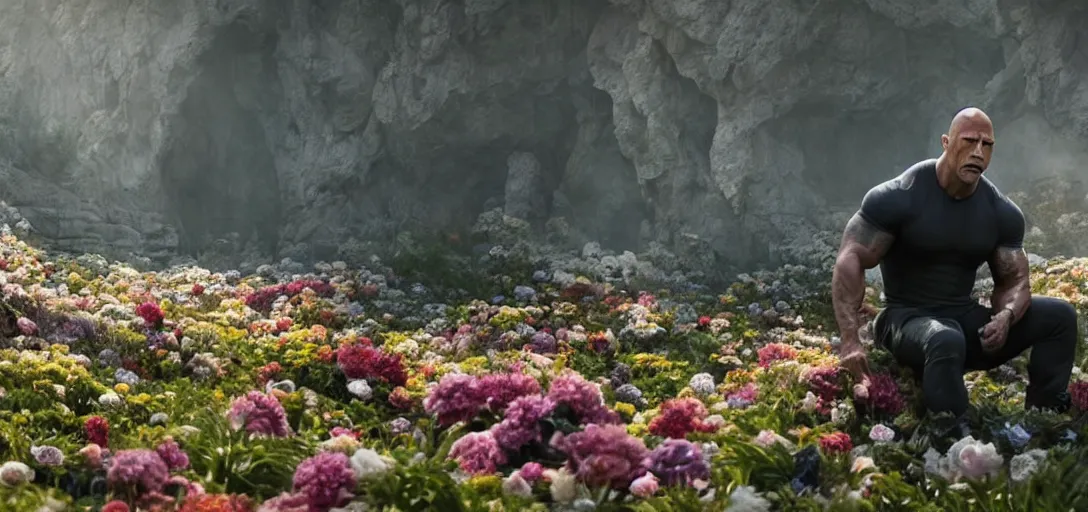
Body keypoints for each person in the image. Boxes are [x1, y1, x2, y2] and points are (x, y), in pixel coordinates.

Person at [831, 107, 1077, 432]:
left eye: (986, 145)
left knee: (1059, 316)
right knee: (945, 338)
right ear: (946, 143)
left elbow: (1016, 280)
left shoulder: (1000, 212)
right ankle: (955, 433)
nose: (978, 152)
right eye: (969, 141)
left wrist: (1006, 317)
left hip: (963, 319)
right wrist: (850, 340)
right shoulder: (900, 196)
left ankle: (1045, 418)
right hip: (905, 320)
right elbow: (851, 258)